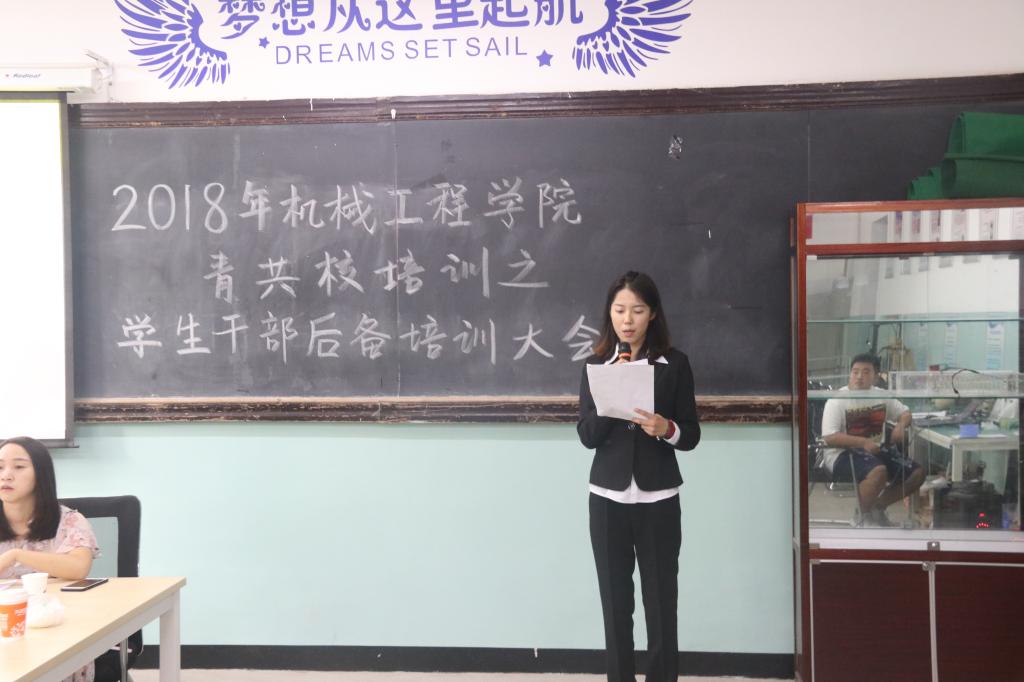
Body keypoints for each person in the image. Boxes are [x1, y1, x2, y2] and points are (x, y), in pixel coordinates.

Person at [577, 271, 700, 682]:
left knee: (661, 602)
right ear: (609, 314)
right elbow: (587, 435)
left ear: (653, 314)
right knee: (615, 604)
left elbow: (691, 434)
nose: (627, 320)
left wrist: (667, 428)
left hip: (658, 499)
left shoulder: (674, 364)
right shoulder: (596, 366)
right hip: (606, 498)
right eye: (619, 310)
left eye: (637, 310)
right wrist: (613, 397)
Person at [0, 436, 99, 682]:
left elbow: (78, 567)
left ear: (41, 475)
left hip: (55, 631)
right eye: (0, 467)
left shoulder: (68, 521)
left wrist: (16, 555)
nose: (6, 475)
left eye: (19, 467)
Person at [820, 354, 925, 526]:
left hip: (875, 450)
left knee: (916, 474)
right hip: (841, 454)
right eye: (855, 372)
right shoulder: (836, 400)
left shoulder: (880, 395)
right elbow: (830, 438)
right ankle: (862, 517)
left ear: (876, 376)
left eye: (866, 372)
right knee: (878, 471)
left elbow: (905, 413)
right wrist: (863, 443)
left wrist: (900, 426)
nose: (859, 377)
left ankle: (877, 507)